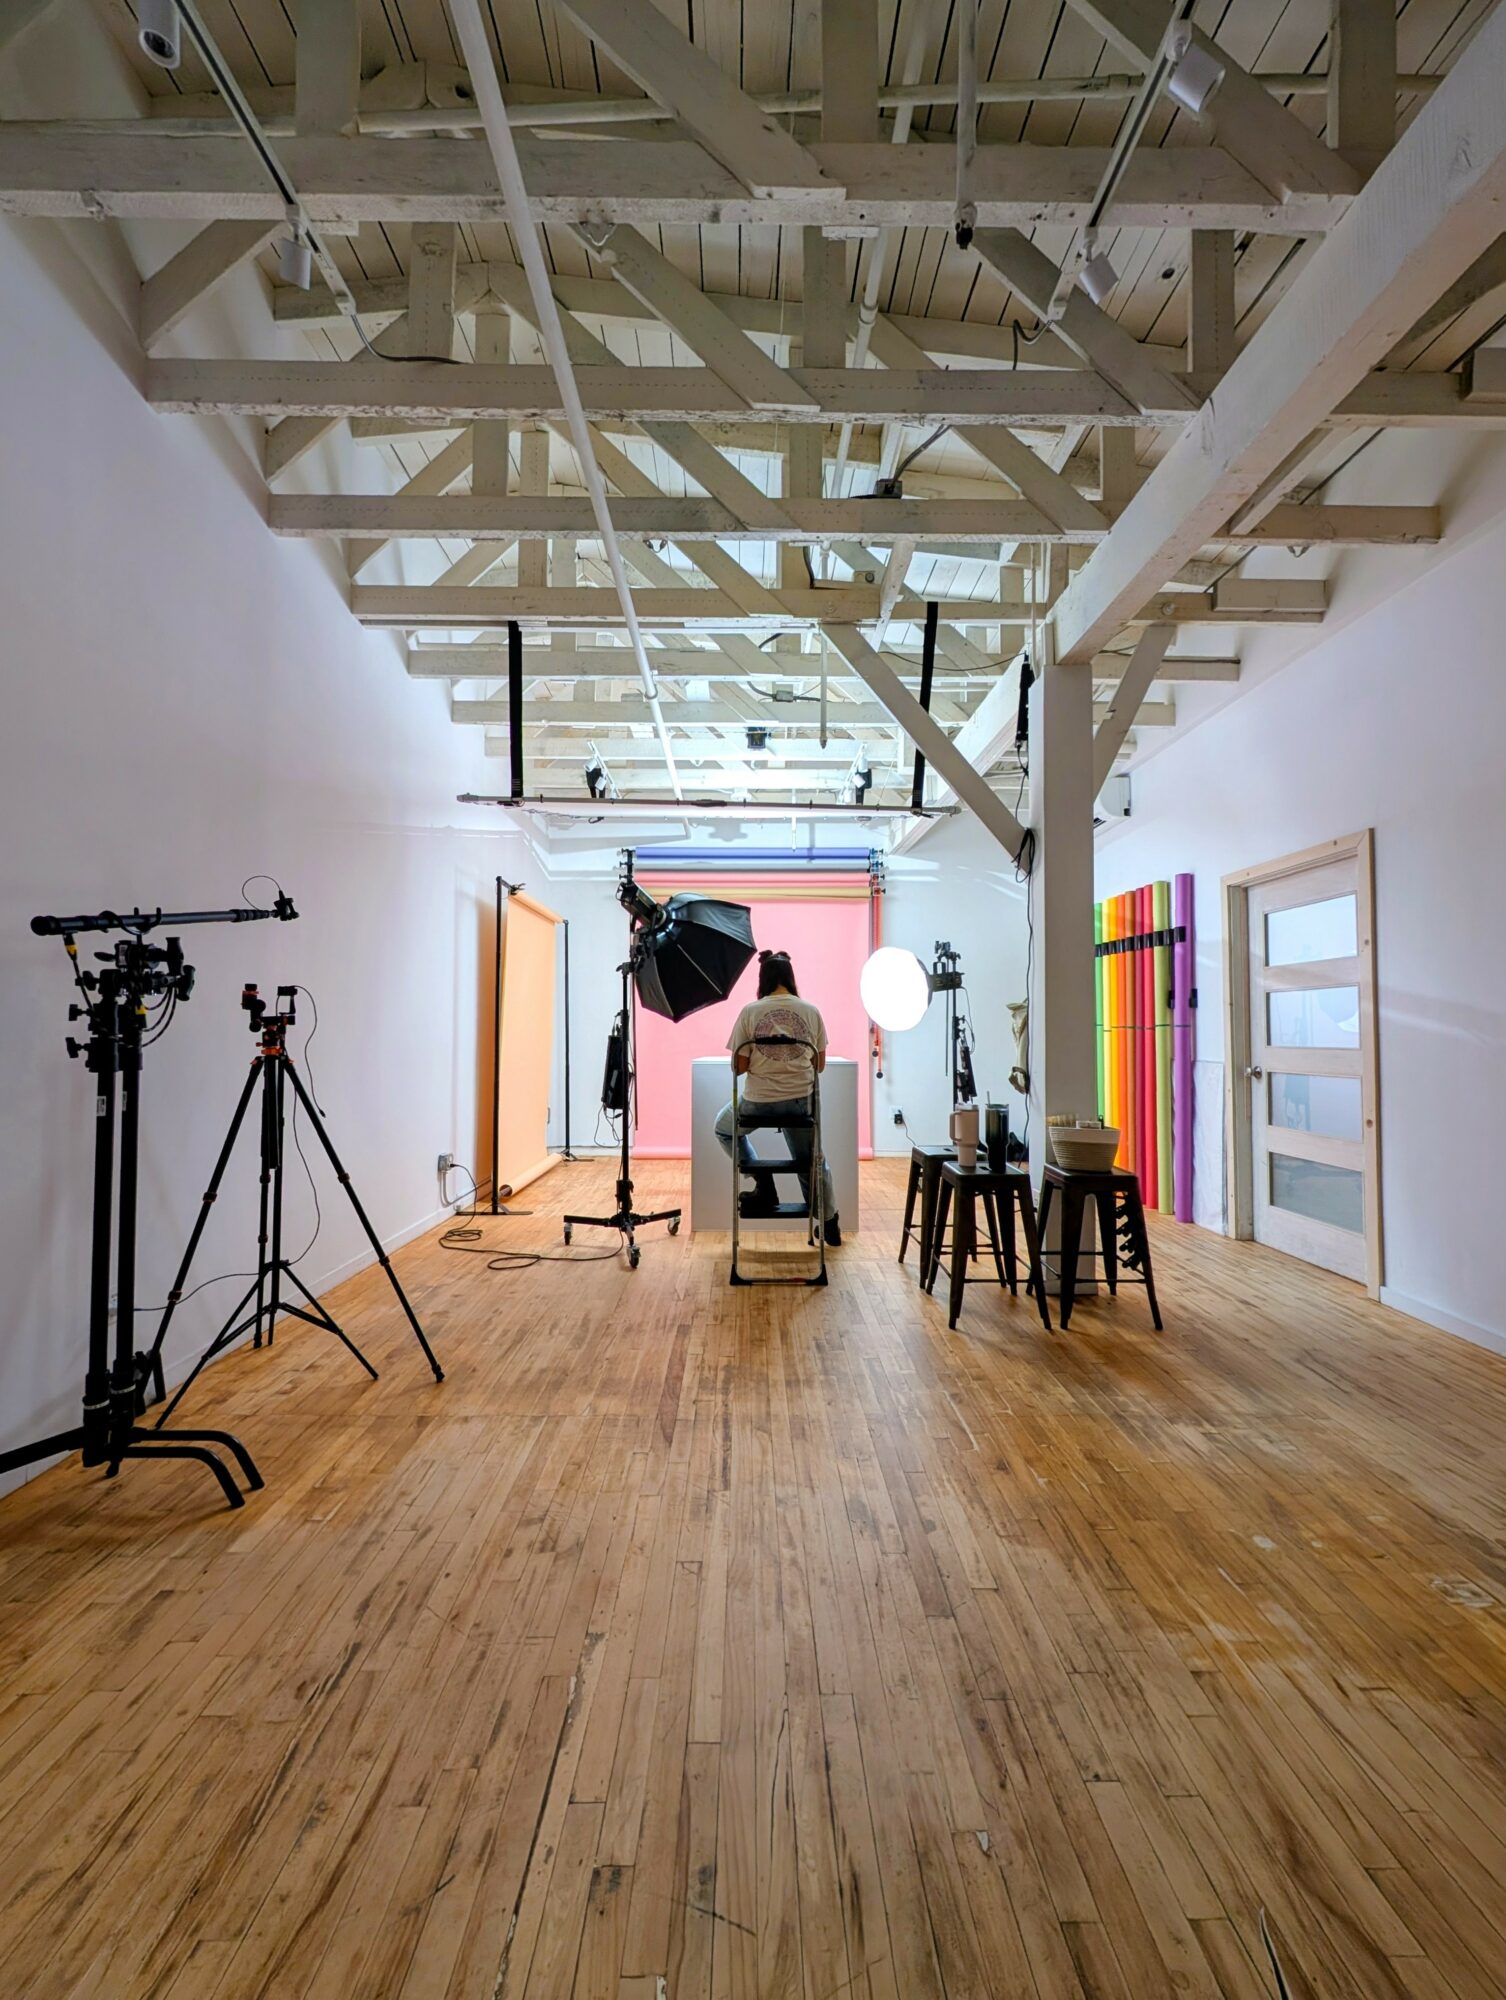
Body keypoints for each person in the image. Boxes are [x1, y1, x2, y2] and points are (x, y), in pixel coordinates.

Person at [716, 949, 840, 1246]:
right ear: (790, 977)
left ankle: (764, 1184)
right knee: (810, 1160)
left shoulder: (750, 1011)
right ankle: (829, 1222)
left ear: (764, 979)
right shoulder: (811, 1011)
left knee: (723, 1130)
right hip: (800, 1102)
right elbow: (819, 1065)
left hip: (757, 1102)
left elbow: (739, 1066)